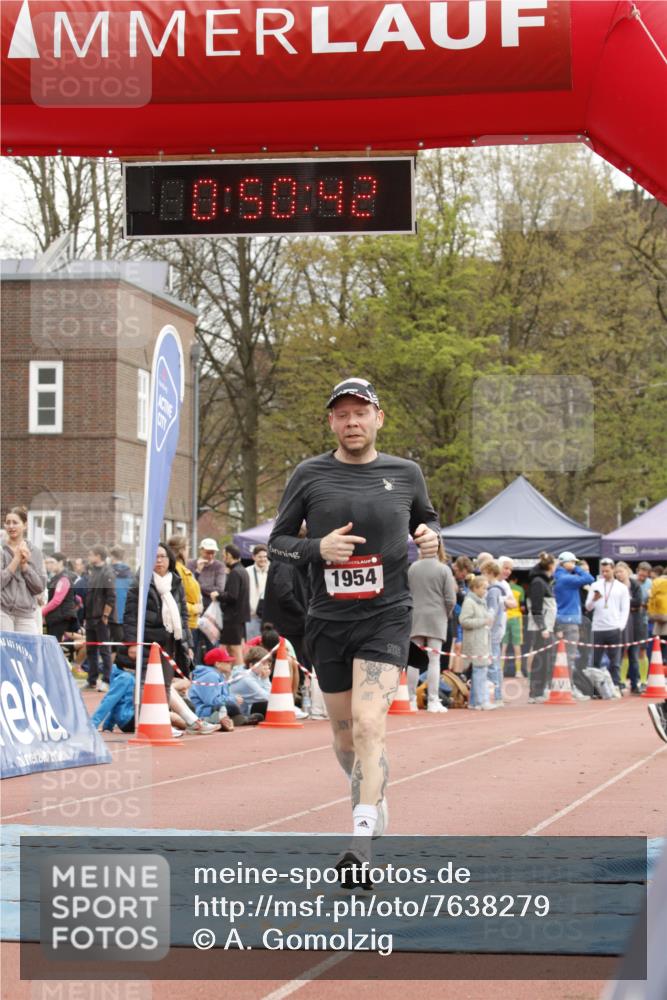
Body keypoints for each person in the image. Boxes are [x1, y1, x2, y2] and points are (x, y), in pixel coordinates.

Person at [267, 376, 440, 878]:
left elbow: (428, 525)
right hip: (328, 620)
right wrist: (315, 549)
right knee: (344, 736)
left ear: (378, 419)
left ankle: (360, 838)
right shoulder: (309, 474)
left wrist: (431, 539)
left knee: (369, 724)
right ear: (331, 423)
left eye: (360, 413)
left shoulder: (406, 473)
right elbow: (276, 544)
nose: (351, 422)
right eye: (342, 415)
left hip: (386, 616)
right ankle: (371, 792)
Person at [115, 543, 219, 735]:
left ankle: (165, 721)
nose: (159, 560)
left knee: (166, 683)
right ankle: (154, 723)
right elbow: (130, 615)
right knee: (149, 683)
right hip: (149, 641)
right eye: (155, 557)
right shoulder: (141, 583)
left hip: (171, 640)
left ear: (170, 559)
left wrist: (186, 643)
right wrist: (132, 644)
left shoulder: (176, 582)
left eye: (163, 556)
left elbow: (183, 615)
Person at [407, 540, 455, 713]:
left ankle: (411, 699)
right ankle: (433, 700)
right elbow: (450, 598)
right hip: (436, 616)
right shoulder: (444, 569)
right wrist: (445, 613)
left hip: (415, 616)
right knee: (434, 659)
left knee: (413, 661)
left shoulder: (412, 567)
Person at [585, 557, 630, 695]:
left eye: (607, 571)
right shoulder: (595, 585)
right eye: (602, 571)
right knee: (595, 661)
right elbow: (588, 607)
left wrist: (620, 626)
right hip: (598, 628)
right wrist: (594, 599)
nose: (604, 574)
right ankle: (596, 689)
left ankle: (615, 686)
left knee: (615, 661)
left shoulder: (621, 588)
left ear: (613, 570)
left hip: (614, 628)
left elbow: (625, 608)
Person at [553, 551, 594, 700]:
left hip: (562, 619)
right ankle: (569, 688)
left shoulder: (559, 576)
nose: (575, 565)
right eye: (573, 562)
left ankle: (562, 686)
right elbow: (589, 578)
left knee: (560, 657)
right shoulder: (566, 578)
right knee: (569, 658)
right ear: (566, 563)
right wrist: (576, 568)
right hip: (569, 621)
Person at [262, 539, 309, 666]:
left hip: (288, 625)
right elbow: (284, 594)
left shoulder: (286, 561)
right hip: (288, 627)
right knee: (290, 665)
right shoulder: (285, 562)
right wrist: (303, 613)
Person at [1, 506, 46, 635]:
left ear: (25, 525)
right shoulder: (1, 550)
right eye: (8, 522)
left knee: (28, 653)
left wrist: (25, 566)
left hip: (26, 614)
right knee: (5, 653)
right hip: (2, 611)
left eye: (15, 522)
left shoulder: (35, 552)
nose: (11, 526)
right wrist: (16, 560)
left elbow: (39, 587)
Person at [83, 546, 116, 691]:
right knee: (91, 649)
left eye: (91, 555)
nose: (89, 557)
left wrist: (105, 616)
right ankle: (92, 678)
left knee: (104, 649)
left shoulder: (107, 572)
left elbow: (111, 596)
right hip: (90, 617)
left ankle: (106, 679)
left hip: (101, 618)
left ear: (98, 556)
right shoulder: (92, 571)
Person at [459, 575, 494, 710]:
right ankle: (481, 701)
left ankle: (474, 702)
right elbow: (464, 620)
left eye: (486, 588)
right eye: (483, 588)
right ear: (475, 588)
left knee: (479, 671)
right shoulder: (469, 602)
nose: (485, 590)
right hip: (475, 642)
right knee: (480, 671)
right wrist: (483, 622)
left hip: (482, 641)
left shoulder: (480, 602)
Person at [188, 537, 226, 660]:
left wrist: (198, 585)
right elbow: (187, 586)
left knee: (211, 643)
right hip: (194, 610)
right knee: (193, 643)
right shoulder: (191, 564)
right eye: (207, 552)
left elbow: (219, 588)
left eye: (212, 552)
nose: (210, 556)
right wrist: (198, 572)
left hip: (211, 611)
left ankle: (213, 670)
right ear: (201, 551)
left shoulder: (219, 566)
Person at [527, 552, 557, 703]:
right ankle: (535, 692)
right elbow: (536, 608)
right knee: (540, 660)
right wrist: (542, 627)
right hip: (541, 629)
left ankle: (541, 689)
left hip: (548, 627)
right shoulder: (538, 582)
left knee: (546, 660)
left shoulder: (546, 582)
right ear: (551, 566)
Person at [169, 533, 203, 653]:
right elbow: (174, 599)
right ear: (181, 550)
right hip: (185, 623)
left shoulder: (182, 569)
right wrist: (195, 608)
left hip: (190, 622)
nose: (188, 551)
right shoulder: (176, 570)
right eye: (188, 548)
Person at [614, 561, 644, 694]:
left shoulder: (635, 584)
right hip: (620, 622)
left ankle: (634, 683)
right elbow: (614, 603)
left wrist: (625, 602)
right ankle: (618, 683)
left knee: (634, 655)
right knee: (618, 655)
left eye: (621, 571)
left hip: (635, 623)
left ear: (627, 571)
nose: (619, 574)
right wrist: (628, 604)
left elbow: (638, 601)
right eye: (617, 572)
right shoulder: (614, 586)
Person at [219, 544, 250, 666]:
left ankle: (240, 675)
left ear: (230, 556)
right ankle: (234, 674)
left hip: (233, 617)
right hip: (239, 617)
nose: (223, 558)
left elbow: (232, 596)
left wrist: (218, 596)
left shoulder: (235, 573)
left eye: (224, 556)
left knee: (234, 649)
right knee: (233, 648)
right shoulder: (242, 571)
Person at [480, 560, 506, 706]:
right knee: (495, 663)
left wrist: (486, 626)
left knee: (492, 664)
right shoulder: (500, 589)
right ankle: (497, 695)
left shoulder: (493, 591)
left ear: (489, 573)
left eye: (483, 573)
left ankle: (496, 696)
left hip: (492, 632)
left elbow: (492, 611)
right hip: (497, 631)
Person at [41, 552, 79, 642]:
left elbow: (56, 601)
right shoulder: (55, 578)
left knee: (54, 645)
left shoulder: (64, 578)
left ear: (61, 562)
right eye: (48, 562)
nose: (49, 565)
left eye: (52, 562)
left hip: (59, 618)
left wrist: (41, 612)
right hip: (55, 617)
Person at [501, 572, 525, 678]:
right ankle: (518, 671)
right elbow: (523, 607)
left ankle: (500, 670)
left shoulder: (502, 587)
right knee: (517, 645)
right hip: (516, 618)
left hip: (505, 617)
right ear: (515, 580)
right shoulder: (520, 589)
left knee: (503, 646)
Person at [109, 545, 134, 641]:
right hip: (124, 613)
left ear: (111, 556)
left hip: (110, 613)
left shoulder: (107, 573)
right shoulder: (130, 574)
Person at [246, 544, 269, 640]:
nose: (263, 559)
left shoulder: (273, 570)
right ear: (253, 557)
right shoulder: (247, 571)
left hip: (269, 617)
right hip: (252, 616)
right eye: (260, 557)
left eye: (265, 556)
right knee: (251, 645)